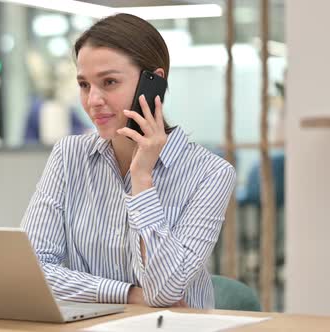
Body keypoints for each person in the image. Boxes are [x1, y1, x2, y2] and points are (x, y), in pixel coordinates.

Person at [21, 13, 236, 309]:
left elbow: (165, 293)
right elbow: (31, 271)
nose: (92, 100)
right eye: (84, 85)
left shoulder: (210, 174)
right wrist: (130, 294)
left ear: (154, 84)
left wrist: (142, 179)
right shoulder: (68, 156)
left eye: (109, 82)